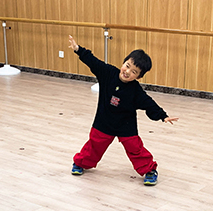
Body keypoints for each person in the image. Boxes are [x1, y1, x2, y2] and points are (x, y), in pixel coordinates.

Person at [67, 35, 178, 185]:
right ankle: (80, 163)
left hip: (126, 125)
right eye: (127, 66)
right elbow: (93, 62)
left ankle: (150, 170)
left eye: (134, 72)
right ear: (123, 62)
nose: (127, 72)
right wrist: (78, 49)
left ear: (139, 77)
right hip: (104, 121)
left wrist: (163, 116)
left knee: (135, 149)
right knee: (94, 145)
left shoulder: (136, 91)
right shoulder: (108, 73)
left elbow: (149, 103)